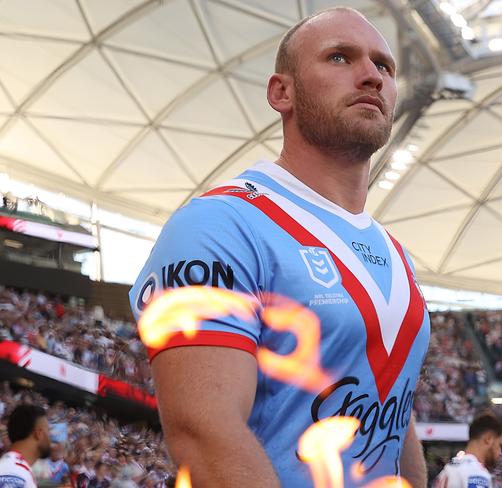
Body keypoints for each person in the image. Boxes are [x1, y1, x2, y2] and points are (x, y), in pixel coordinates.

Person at [130, 6, 431, 488]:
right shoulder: (220, 224)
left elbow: (393, 418)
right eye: (339, 57)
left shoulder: (394, 253)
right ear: (281, 92)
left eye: (384, 66)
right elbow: (205, 435)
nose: (371, 77)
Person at [434, 414, 502, 488]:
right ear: (488, 439)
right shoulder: (477, 474)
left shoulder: (448, 468)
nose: (500, 453)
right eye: (499, 445)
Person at [0, 404, 51, 488]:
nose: (50, 437)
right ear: (39, 433)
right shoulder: (15, 472)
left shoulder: (14, 467)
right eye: (48, 431)